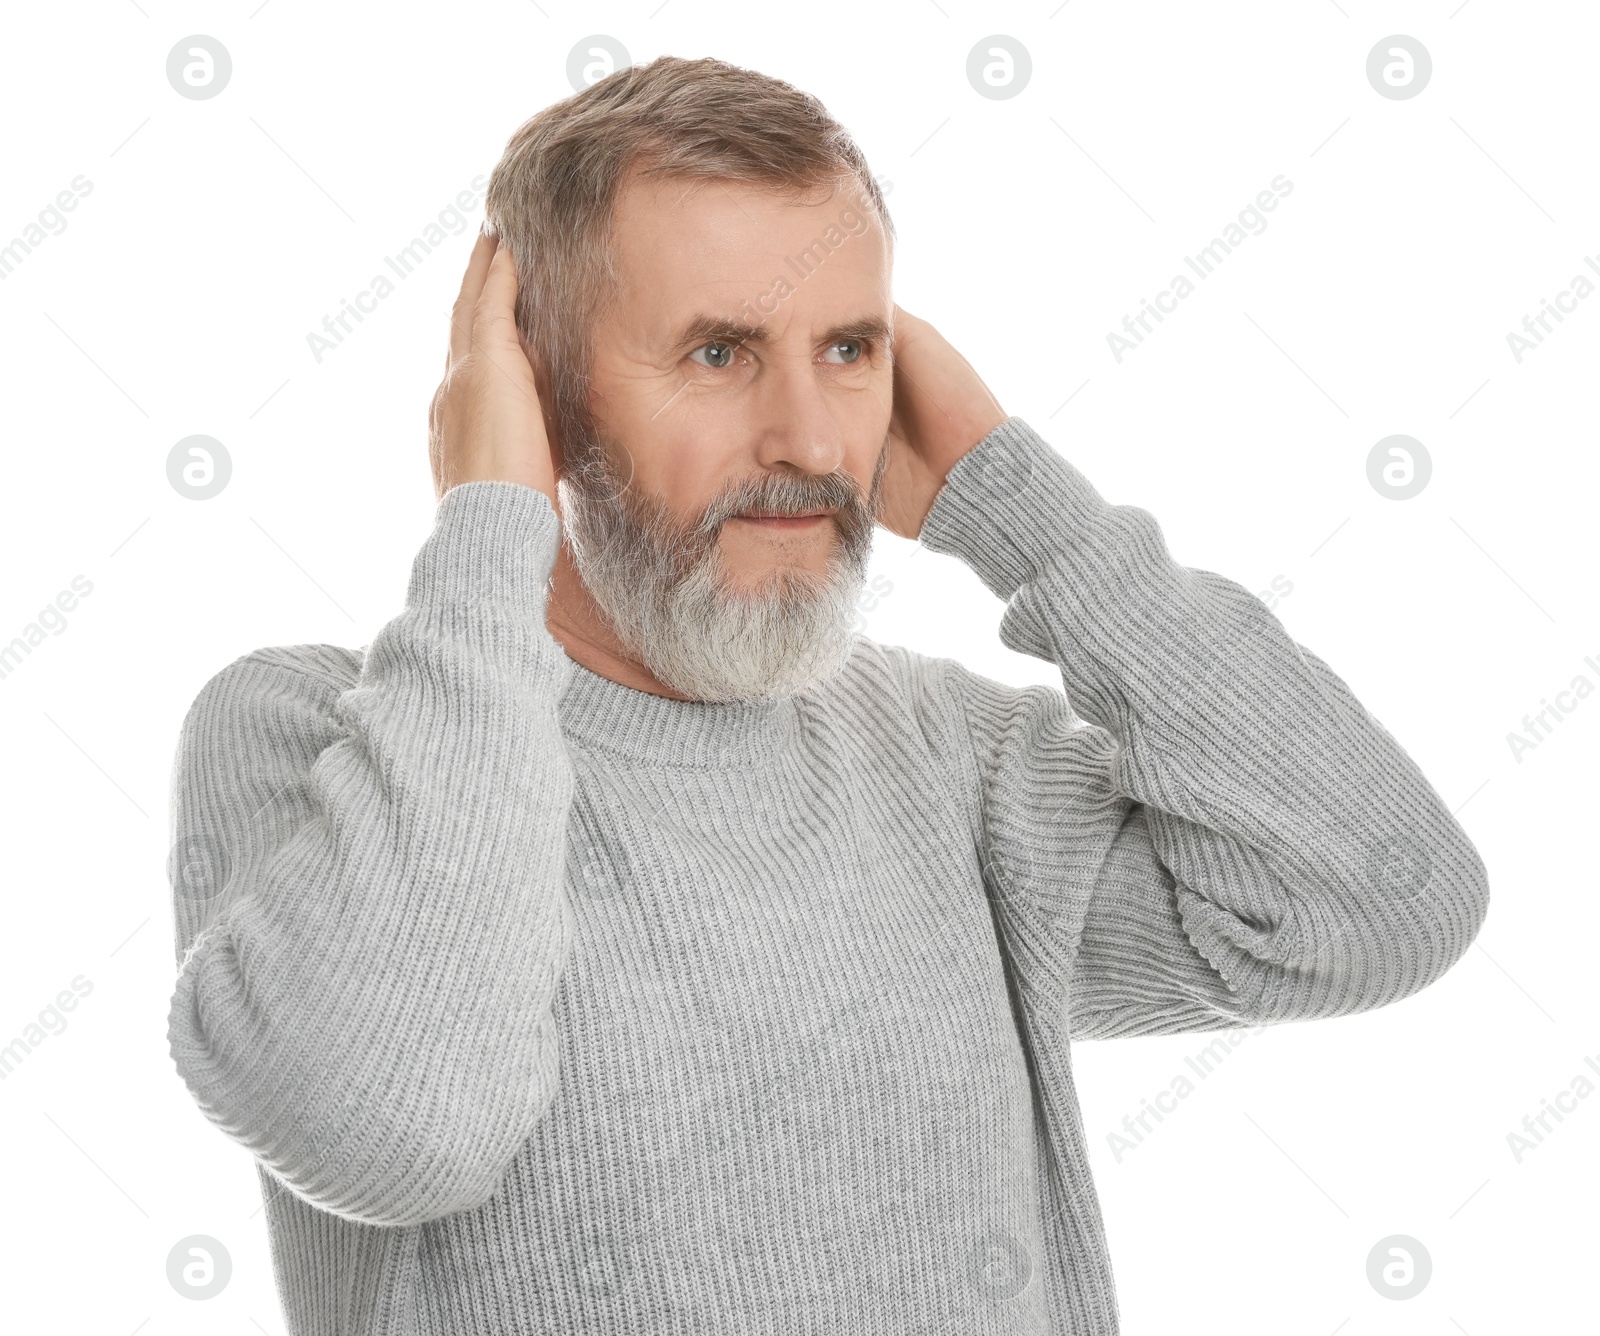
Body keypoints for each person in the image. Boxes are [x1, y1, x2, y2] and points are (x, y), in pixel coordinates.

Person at [165, 54, 1490, 1336]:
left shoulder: (954, 763)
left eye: (849, 349)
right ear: (539, 389)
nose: (808, 439)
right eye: (720, 355)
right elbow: (394, 1129)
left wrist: (1031, 516)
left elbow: (1378, 903)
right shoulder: (316, 739)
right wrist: (491, 526)